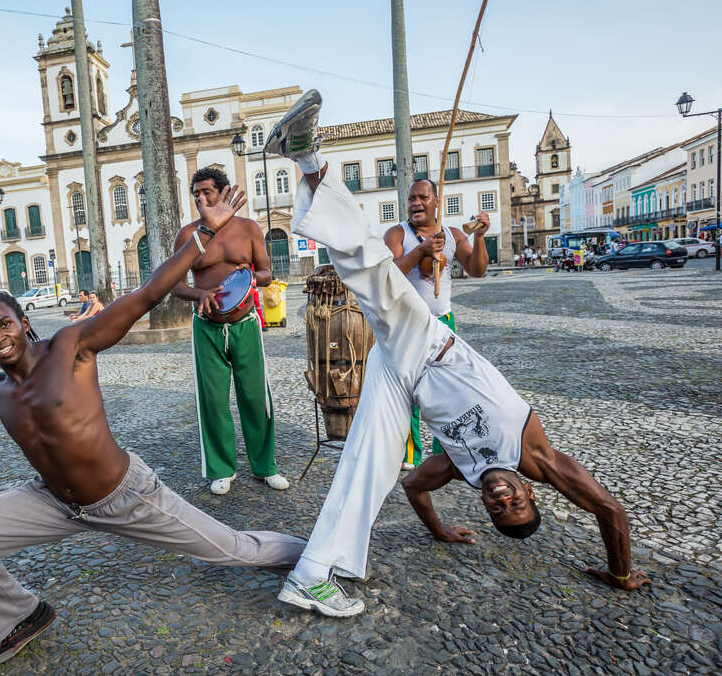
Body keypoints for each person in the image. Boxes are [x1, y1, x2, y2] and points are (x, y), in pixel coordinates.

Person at [0, 186, 305, 667]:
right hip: (55, 503)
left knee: (232, 549)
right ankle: (19, 616)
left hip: (127, 497)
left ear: (23, 322)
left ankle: (314, 556)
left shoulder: (71, 346)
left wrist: (206, 232)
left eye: (3, 325)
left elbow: (147, 293)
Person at [262, 89, 649, 618]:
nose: (503, 500)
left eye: (498, 512)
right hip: (430, 344)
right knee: (377, 275)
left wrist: (441, 531)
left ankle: (311, 576)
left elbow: (417, 487)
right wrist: (622, 574)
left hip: (401, 377)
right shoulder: (533, 455)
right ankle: (306, 156)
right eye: (516, 503)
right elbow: (608, 509)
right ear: (532, 494)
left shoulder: (464, 469)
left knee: (370, 466)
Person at [171, 167, 289, 496]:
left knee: (255, 397)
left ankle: (266, 466)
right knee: (213, 401)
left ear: (223, 194)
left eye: (207, 192)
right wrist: (200, 295)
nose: (200, 198)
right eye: (195, 193)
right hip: (207, 327)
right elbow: (175, 285)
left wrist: (252, 276)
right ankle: (222, 469)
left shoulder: (249, 228)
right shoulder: (188, 235)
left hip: (245, 323)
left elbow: (267, 272)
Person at [383, 179, 490, 471]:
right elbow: (388, 277)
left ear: (436, 202)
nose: (416, 203)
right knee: (408, 391)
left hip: (443, 322)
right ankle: (408, 455)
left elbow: (477, 270)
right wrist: (420, 251)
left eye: (422, 198)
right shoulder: (397, 234)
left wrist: (479, 237)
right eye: (411, 199)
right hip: (406, 324)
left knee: (448, 388)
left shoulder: (453, 235)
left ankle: (446, 452)